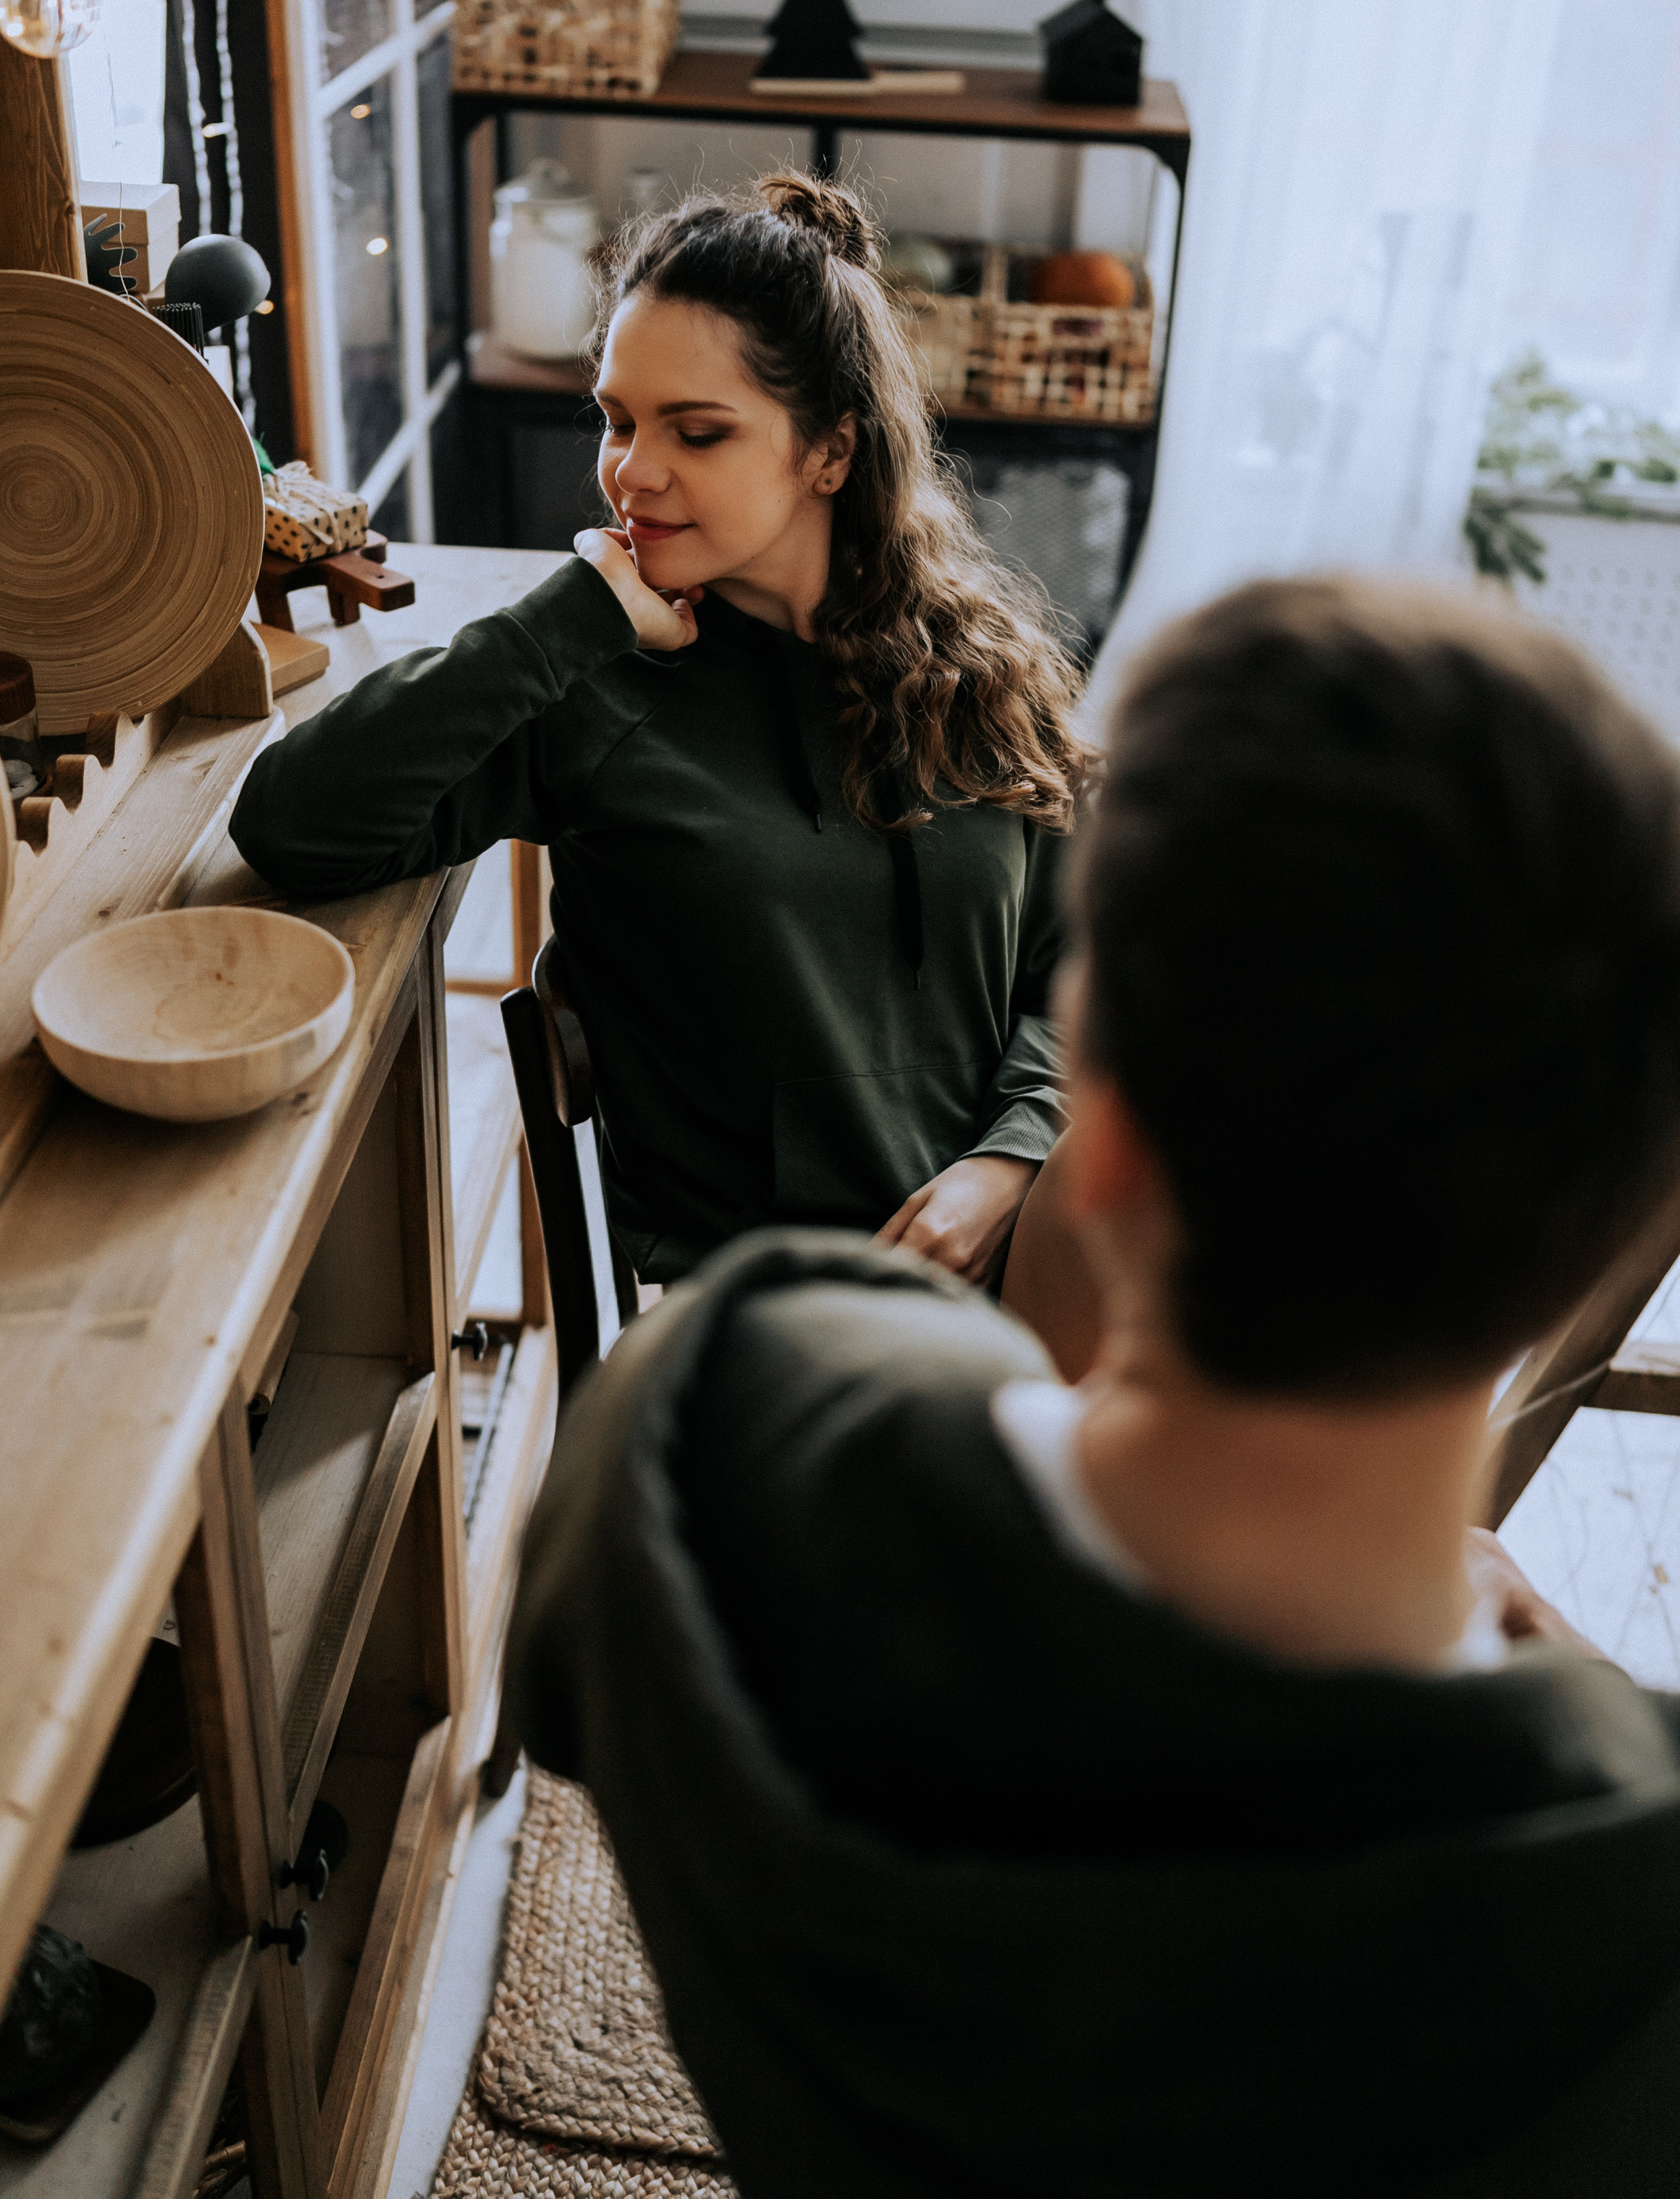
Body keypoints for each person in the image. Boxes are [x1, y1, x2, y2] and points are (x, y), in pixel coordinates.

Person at [507, 576, 1680, 2199]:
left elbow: (561, 1687)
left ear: (1100, 1140)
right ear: (1586, 1257)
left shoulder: (714, 1412)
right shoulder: (1619, 1899)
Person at [230, 173, 1089, 1291]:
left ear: (831, 451)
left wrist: (1012, 1160)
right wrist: (568, 618)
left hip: (1022, 1262)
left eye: (698, 431)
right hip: (771, 1320)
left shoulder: (981, 665)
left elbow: (1090, 963)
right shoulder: (596, 690)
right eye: (619, 420)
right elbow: (292, 821)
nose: (633, 471)